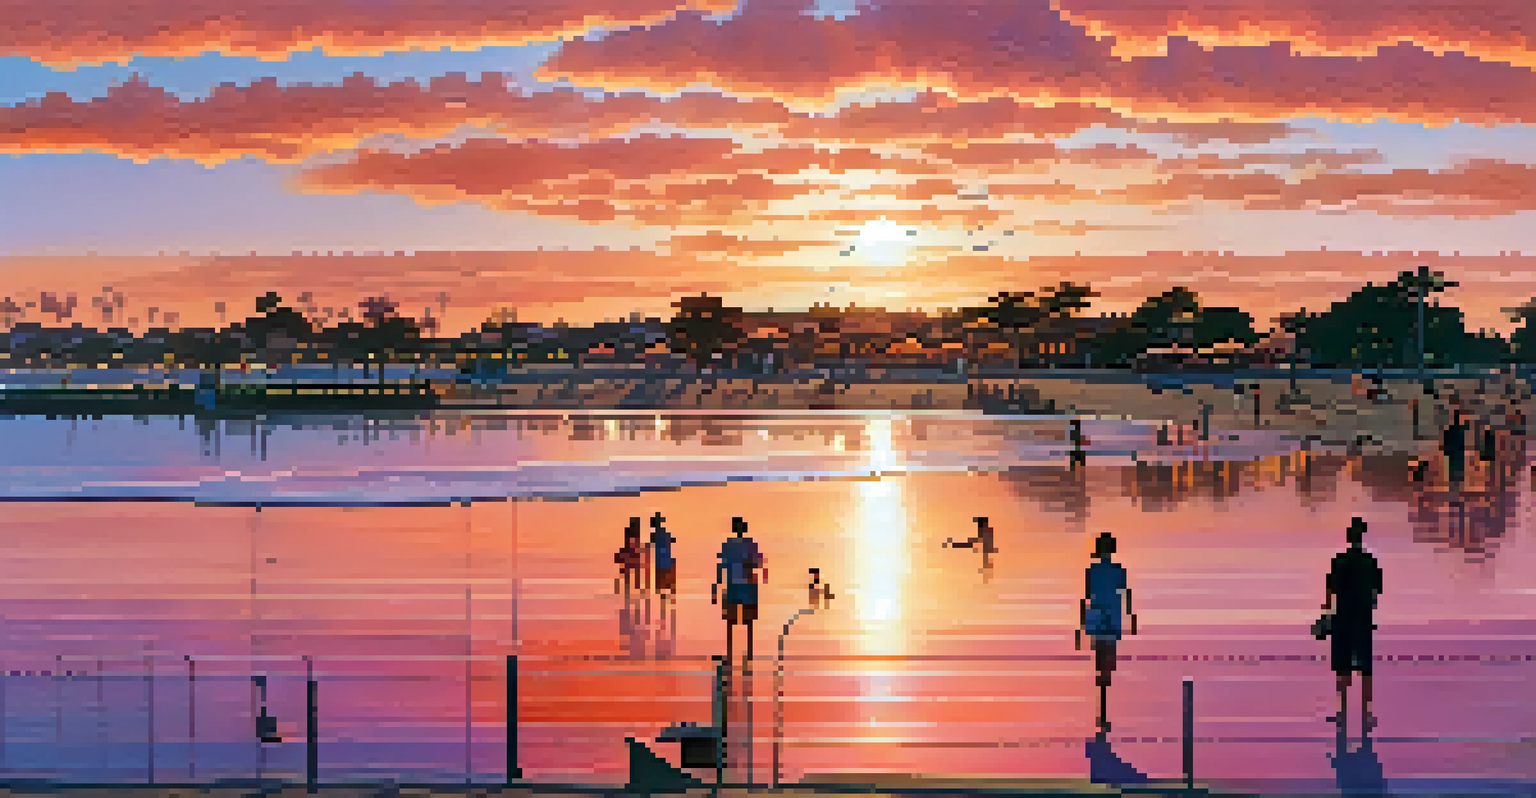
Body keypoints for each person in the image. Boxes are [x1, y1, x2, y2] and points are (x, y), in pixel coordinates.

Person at [1323, 517, 1384, 732]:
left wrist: (1327, 613)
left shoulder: (1339, 561)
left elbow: (1331, 589)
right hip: (1362, 617)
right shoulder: (1370, 561)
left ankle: (1342, 709)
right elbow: (1377, 590)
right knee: (1365, 665)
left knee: (1343, 666)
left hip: (1344, 616)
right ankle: (1366, 711)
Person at [1079, 531, 1135, 734]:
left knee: (1103, 663)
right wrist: (1131, 615)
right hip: (1109, 620)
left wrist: (1082, 625)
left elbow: (1085, 599)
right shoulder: (1113, 570)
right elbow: (1125, 594)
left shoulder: (1096, 570)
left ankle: (1101, 703)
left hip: (1100, 619)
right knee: (1106, 663)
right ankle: (1102, 705)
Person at [714, 517, 766, 667]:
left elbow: (722, 566)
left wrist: (716, 585)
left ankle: (734, 652)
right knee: (743, 621)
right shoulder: (748, 544)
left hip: (736, 585)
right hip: (744, 586)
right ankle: (746, 651)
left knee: (733, 621)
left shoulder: (729, 545)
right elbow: (758, 563)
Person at [647, 512, 677, 604]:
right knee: (667, 584)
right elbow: (672, 540)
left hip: (661, 562)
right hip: (663, 561)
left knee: (663, 585)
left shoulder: (655, 534)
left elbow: (670, 540)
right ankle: (668, 599)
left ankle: (666, 600)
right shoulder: (660, 533)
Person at [614, 517, 645, 595]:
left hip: (630, 552)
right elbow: (632, 542)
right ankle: (632, 586)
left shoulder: (631, 532)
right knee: (627, 570)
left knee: (627, 571)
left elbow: (632, 543)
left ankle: (633, 585)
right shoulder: (633, 533)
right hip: (630, 552)